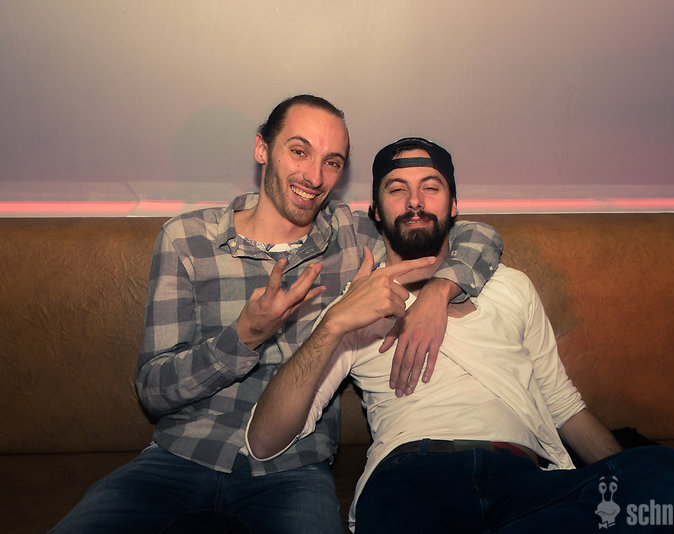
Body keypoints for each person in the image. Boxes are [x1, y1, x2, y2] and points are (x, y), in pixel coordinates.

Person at [50, 97, 503, 534]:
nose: (314, 176)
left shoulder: (354, 237)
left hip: (293, 469)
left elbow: (471, 233)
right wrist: (244, 336)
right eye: (299, 151)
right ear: (262, 148)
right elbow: (153, 390)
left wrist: (439, 290)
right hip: (179, 458)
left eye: (332, 162)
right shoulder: (187, 239)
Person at [246, 137, 674, 533]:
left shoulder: (511, 287)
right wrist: (333, 324)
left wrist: (618, 472)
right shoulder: (357, 303)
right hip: (412, 479)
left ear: (453, 205)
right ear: (376, 212)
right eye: (397, 189)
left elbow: (563, 406)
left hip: (525, 483)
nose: (414, 202)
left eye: (431, 187)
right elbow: (265, 441)